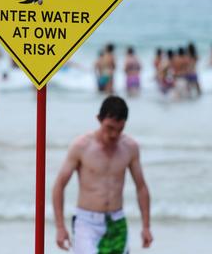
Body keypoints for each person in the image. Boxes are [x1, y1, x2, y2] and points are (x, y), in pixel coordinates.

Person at [52, 96, 152, 253]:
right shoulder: (81, 146)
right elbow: (59, 186)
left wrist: (146, 226)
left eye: (119, 129)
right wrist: (60, 227)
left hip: (117, 222)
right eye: (109, 128)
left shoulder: (130, 148)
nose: (113, 135)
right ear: (99, 119)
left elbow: (141, 188)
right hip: (86, 223)